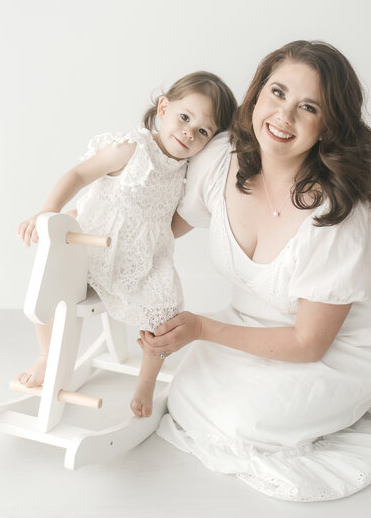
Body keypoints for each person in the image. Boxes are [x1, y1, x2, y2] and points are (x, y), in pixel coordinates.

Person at [138, 41, 371, 501]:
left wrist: (203, 328)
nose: (283, 117)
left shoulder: (337, 213)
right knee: (187, 395)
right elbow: (161, 228)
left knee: (248, 421)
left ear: (328, 126)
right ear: (256, 94)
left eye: (308, 107)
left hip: (330, 351)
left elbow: (309, 344)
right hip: (245, 326)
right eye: (277, 93)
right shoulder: (222, 158)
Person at [16, 71, 238, 418]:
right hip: (89, 247)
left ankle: (146, 383)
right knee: (46, 278)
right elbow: (78, 175)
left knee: (166, 311)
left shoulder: (184, 173)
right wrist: (48, 212)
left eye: (202, 131)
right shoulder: (132, 148)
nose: (188, 132)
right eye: (184, 117)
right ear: (163, 108)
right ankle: (47, 355)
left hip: (137, 262)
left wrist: (153, 242)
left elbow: (170, 224)